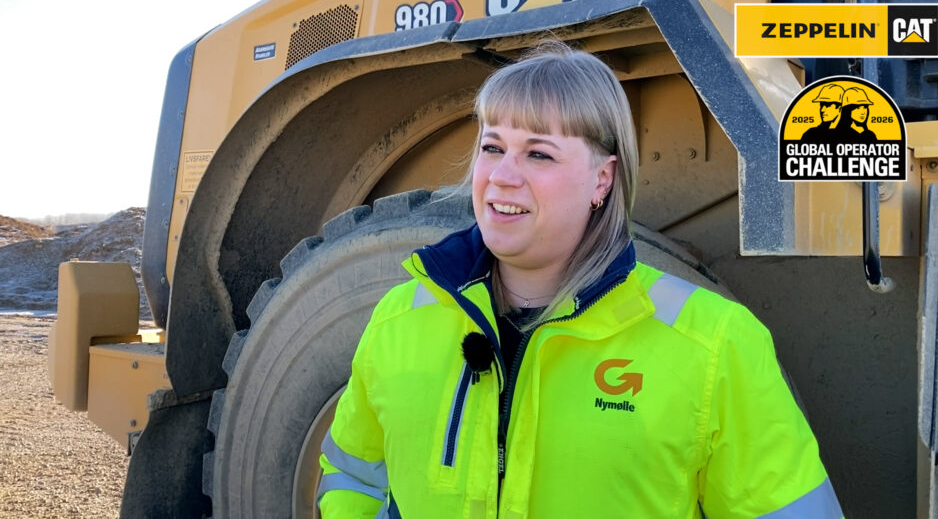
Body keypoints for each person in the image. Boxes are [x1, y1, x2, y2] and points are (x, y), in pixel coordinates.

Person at [317, 43, 843, 518]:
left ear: (602, 179)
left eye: (539, 153)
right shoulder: (398, 318)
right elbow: (352, 477)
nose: (501, 175)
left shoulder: (714, 344)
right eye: (492, 147)